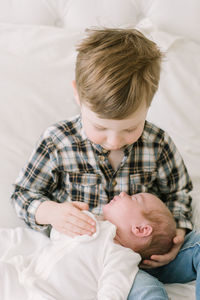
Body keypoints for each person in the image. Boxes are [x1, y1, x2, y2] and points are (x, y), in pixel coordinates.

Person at [11, 28, 200, 299]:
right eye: (100, 127)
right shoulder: (58, 141)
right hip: (97, 261)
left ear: (149, 103)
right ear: (78, 95)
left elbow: (178, 192)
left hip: (151, 255)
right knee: (147, 291)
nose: (114, 141)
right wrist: (51, 212)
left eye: (129, 128)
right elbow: (22, 195)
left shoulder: (157, 142)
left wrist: (177, 233)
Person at [1, 192, 176, 300]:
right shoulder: (91, 220)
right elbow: (57, 237)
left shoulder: (121, 256)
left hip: (52, 295)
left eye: (134, 198)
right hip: (22, 273)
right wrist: (65, 216)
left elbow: (113, 289)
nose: (123, 193)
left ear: (140, 229)